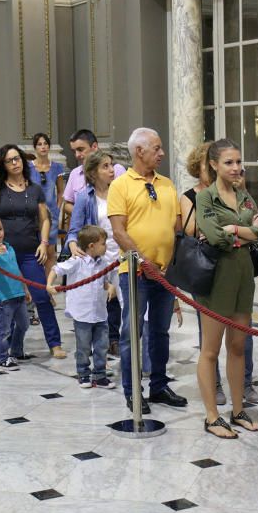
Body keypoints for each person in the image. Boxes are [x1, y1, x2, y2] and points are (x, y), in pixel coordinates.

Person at [194, 139, 258, 438]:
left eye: (239, 161)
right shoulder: (206, 199)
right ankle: (212, 416)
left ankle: (237, 410)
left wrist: (236, 230)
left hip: (243, 276)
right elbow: (214, 237)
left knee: (238, 347)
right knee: (210, 350)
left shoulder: (244, 196)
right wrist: (245, 233)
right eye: (229, 162)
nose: (237, 168)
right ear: (214, 165)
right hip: (216, 279)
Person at [109, 127, 186, 413]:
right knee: (132, 332)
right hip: (136, 273)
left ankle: (159, 385)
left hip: (165, 274)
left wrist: (173, 266)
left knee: (160, 332)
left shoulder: (167, 184)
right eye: (157, 148)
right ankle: (132, 391)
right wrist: (145, 262)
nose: (162, 153)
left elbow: (175, 230)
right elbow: (119, 232)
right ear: (139, 151)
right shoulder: (121, 185)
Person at [0, 144, 66, 358]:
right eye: (9, 160)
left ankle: (55, 343)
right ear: (3, 165)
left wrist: (44, 243)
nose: (15, 163)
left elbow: (45, 219)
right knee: (11, 302)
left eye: (17, 159)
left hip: (30, 252)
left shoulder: (34, 188)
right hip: (6, 254)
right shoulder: (0, 188)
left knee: (41, 296)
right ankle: (11, 347)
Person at [47, 225, 118, 388]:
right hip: (82, 314)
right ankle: (84, 373)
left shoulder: (104, 263)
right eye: (103, 243)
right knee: (84, 346)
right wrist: (49, 284)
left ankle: (100, 375)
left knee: (101, 346)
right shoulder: (77, 261)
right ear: (92, 246)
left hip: (100, 313)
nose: (106, 246)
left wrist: (110, 287)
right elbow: (56, 269)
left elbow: (104, 281)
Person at [67, 150, 123, 352]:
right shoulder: (85, 197)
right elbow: (74, 230)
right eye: (105, 166)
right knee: (99, 300)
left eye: (111, 165)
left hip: (119, 254)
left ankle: (114, 339)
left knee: (117, 298)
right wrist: (72, 244)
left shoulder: (120, 192)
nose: (111, 170)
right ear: (93, 172)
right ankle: (98, 341)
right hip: (97, 257)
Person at [0, 213, 32, 369]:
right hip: (5, 299)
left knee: (24, 324)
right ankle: (2, 357)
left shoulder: (9, 248)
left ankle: (16, 351)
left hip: (19, 295)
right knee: (4, 329)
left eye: (0, 229)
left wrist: (26, 288)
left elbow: (16, 269)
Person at [62, 129, 126, 218]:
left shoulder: (116, 170)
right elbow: (67, 204)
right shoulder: (75, 173)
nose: (77, 155)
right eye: (74, 151)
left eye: (80, 149)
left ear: (94, 146)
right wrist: (84, 215)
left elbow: (127, 203)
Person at [29, 133, 66, 277]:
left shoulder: (57, 167)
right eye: (39, 144)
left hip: (52, 215)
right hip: (33, 215)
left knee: (50, 251)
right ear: (35, 147)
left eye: (45, 143)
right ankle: (35, 287)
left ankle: (48, 288)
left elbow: (61, 192)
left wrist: (56, 208)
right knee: (35, 251)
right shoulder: (28, 167)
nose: (43, 147)